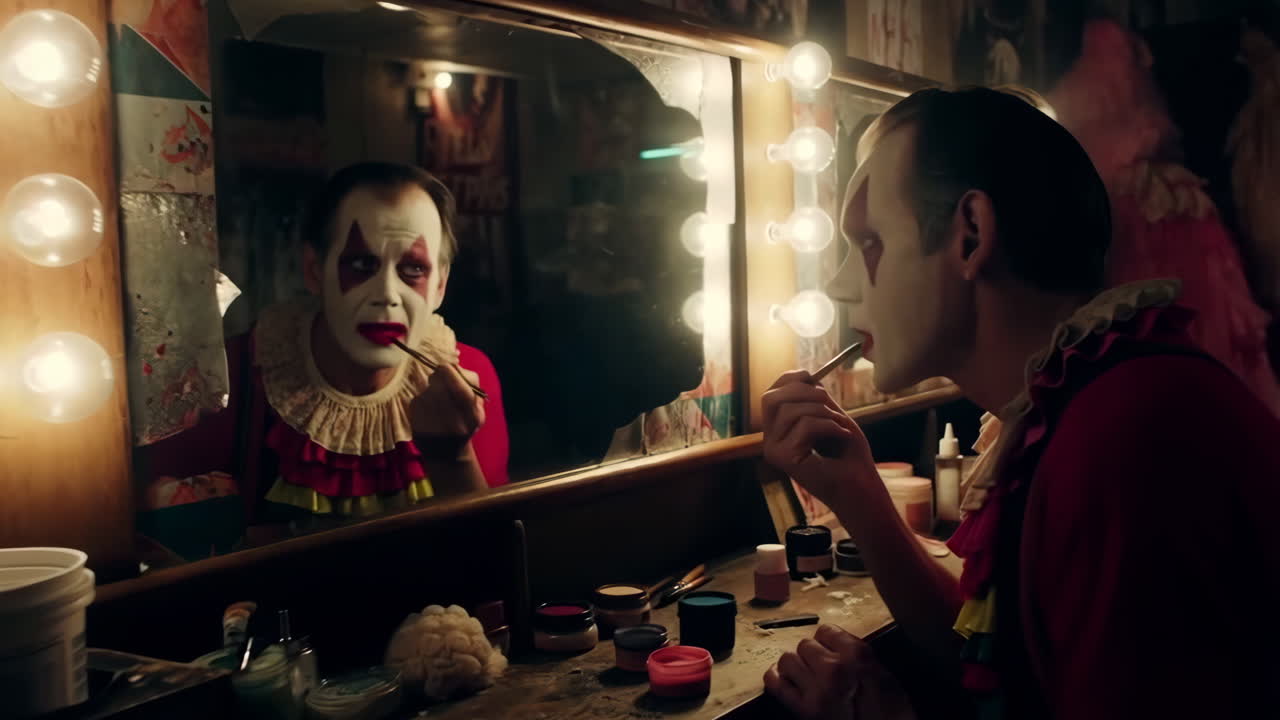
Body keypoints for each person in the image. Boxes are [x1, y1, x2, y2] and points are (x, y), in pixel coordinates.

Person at [760, 87, 1280, 719]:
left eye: (869, 242)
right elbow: (1009, 664)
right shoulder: (1083, 399)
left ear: (971, 234)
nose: (841, 286)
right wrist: (860, 498)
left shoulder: (1122, 440)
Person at [141, 163, 509, 552]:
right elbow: (155, 545)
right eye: (362, 265)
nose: (386, 293)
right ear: (315, 271)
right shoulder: (232, 378)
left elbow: (490, 558)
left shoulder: (467, 378)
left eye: (413, 268)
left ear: (439, 285)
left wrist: (454, 456)